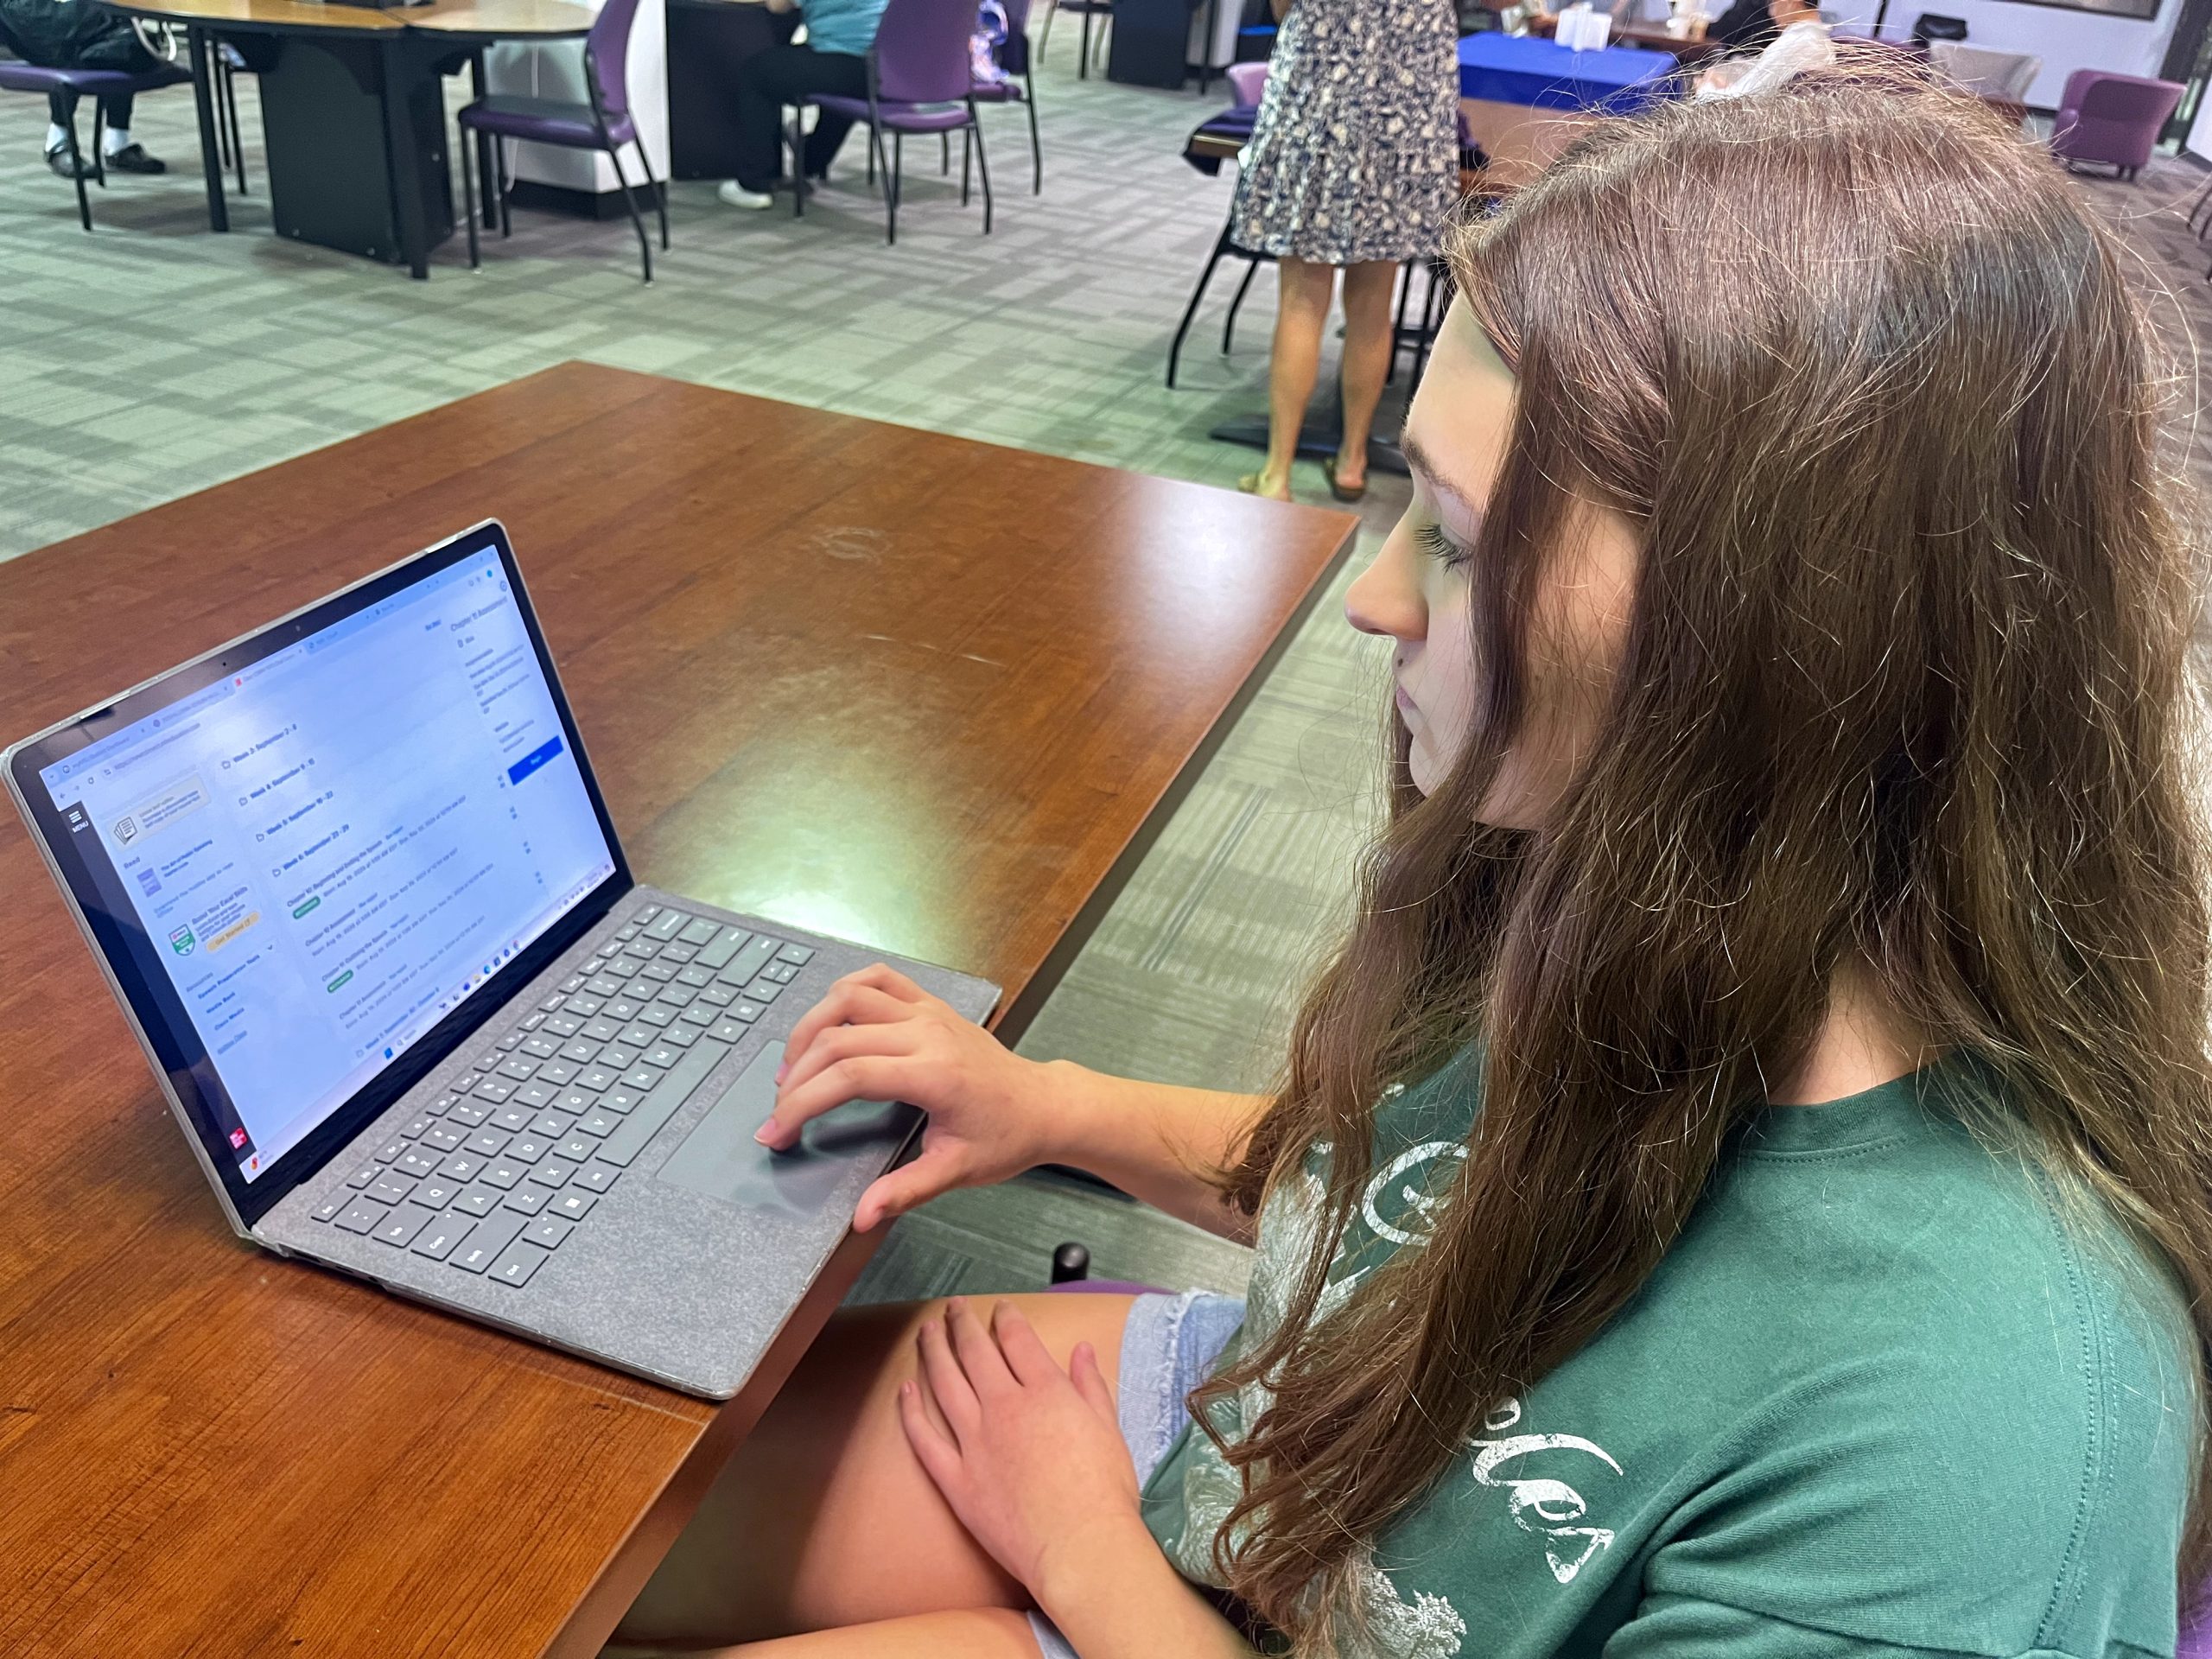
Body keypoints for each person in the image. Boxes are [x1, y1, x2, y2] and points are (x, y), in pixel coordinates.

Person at [612, 71, 2212, 1659]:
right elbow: (1395, 1186)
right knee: (596, 1540)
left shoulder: (1972, 1454)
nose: (1377, 599)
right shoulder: (1620, 898)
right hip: (1287, 1433)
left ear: (1773, 648)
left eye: (1453, 539)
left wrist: (1085, 1555)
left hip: (1225, 1573)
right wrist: (1057, 1110)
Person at [1232, 0, 1459, 504]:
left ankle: (1277, 474)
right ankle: (1353, 459)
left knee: (1300, 303)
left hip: (1318, 101)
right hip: (1405, 110)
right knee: (1374, 307)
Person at [716, 0, 891, 212]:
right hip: (887, 68)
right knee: (839, 88)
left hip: (842, 59)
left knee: (756, 75)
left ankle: (754, 184)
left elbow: (777, 5)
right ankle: (811, 162)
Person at [0, 0, 167, 177]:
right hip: (29, 13)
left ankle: (117, 143)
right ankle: (57, 143)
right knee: (86, 34)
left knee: (125, 42)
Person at [1698, 0, 1833, 96]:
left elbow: (1743, 103)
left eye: (1773, 3)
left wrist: (1707, 89)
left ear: (1792, 2)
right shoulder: (1813, 40)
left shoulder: (1799, 43)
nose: (1771, 12)